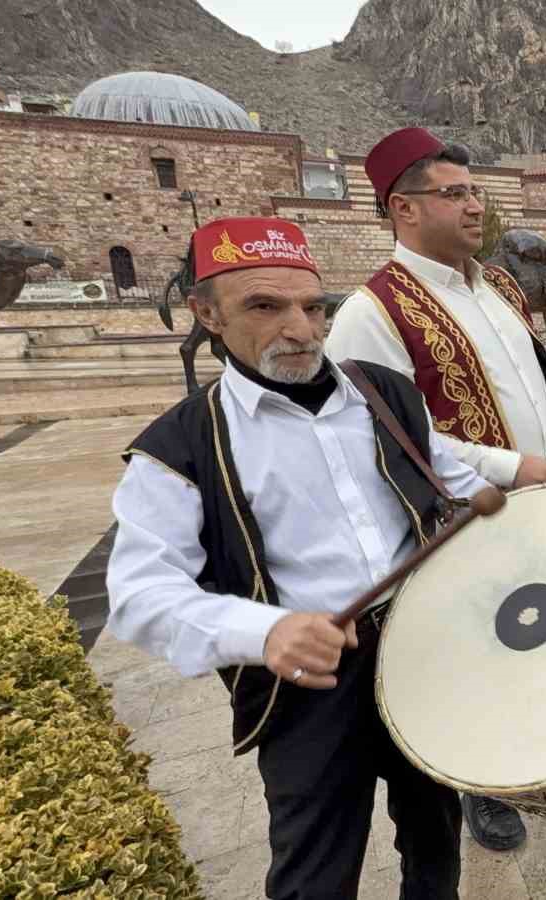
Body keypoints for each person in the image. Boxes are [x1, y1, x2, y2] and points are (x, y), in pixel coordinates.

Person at [106, 218, 487, 899]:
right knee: (314, 869)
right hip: (304, 685)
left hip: (418, 649)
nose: (303, 330)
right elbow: (139, 595)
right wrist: (267, 632)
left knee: (435, 830)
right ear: (207, 314)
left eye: (314, 307)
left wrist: (524, 488)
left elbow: (450, 473)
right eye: (264, 306)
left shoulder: (385, 393)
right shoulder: (179, 446)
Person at [325, 125, 546, 852]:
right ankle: (478, 785)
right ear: (403, 209)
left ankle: (532, 744)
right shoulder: (371, 313)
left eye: (476, 192)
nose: (475, 208)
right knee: (475, 647)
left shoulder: (497, 285)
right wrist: (505, 466)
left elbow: (536, 384)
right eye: (455, 193)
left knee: (531, 628)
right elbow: (389, 435)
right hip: (457, 518)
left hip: (539, 497)